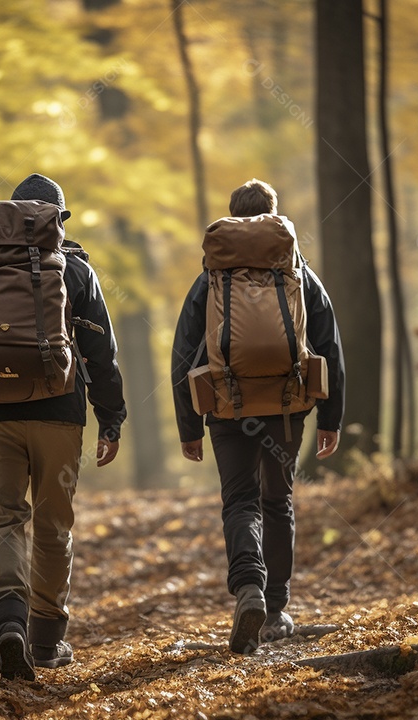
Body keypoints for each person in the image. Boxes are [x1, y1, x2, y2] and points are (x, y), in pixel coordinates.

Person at [0, 173, 126, 680]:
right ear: (57, 220)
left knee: (2, 522)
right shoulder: (76, 270)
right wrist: (111, 418)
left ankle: (9, 625)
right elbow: (101, 354)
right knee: (52, 525)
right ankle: (45, 641)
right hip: (59, 415)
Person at [170, 179, 345, 654]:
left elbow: (183, 352)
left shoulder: (211, 278)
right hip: (287, 405)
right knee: (277, 501)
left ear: (233, 216)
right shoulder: (297, 273)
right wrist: (331, 417)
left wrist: (189, 426)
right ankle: (275, 609)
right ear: (273, 214)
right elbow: (329, 346)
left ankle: (248, 586)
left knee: (240, 500)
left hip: (227, 406)